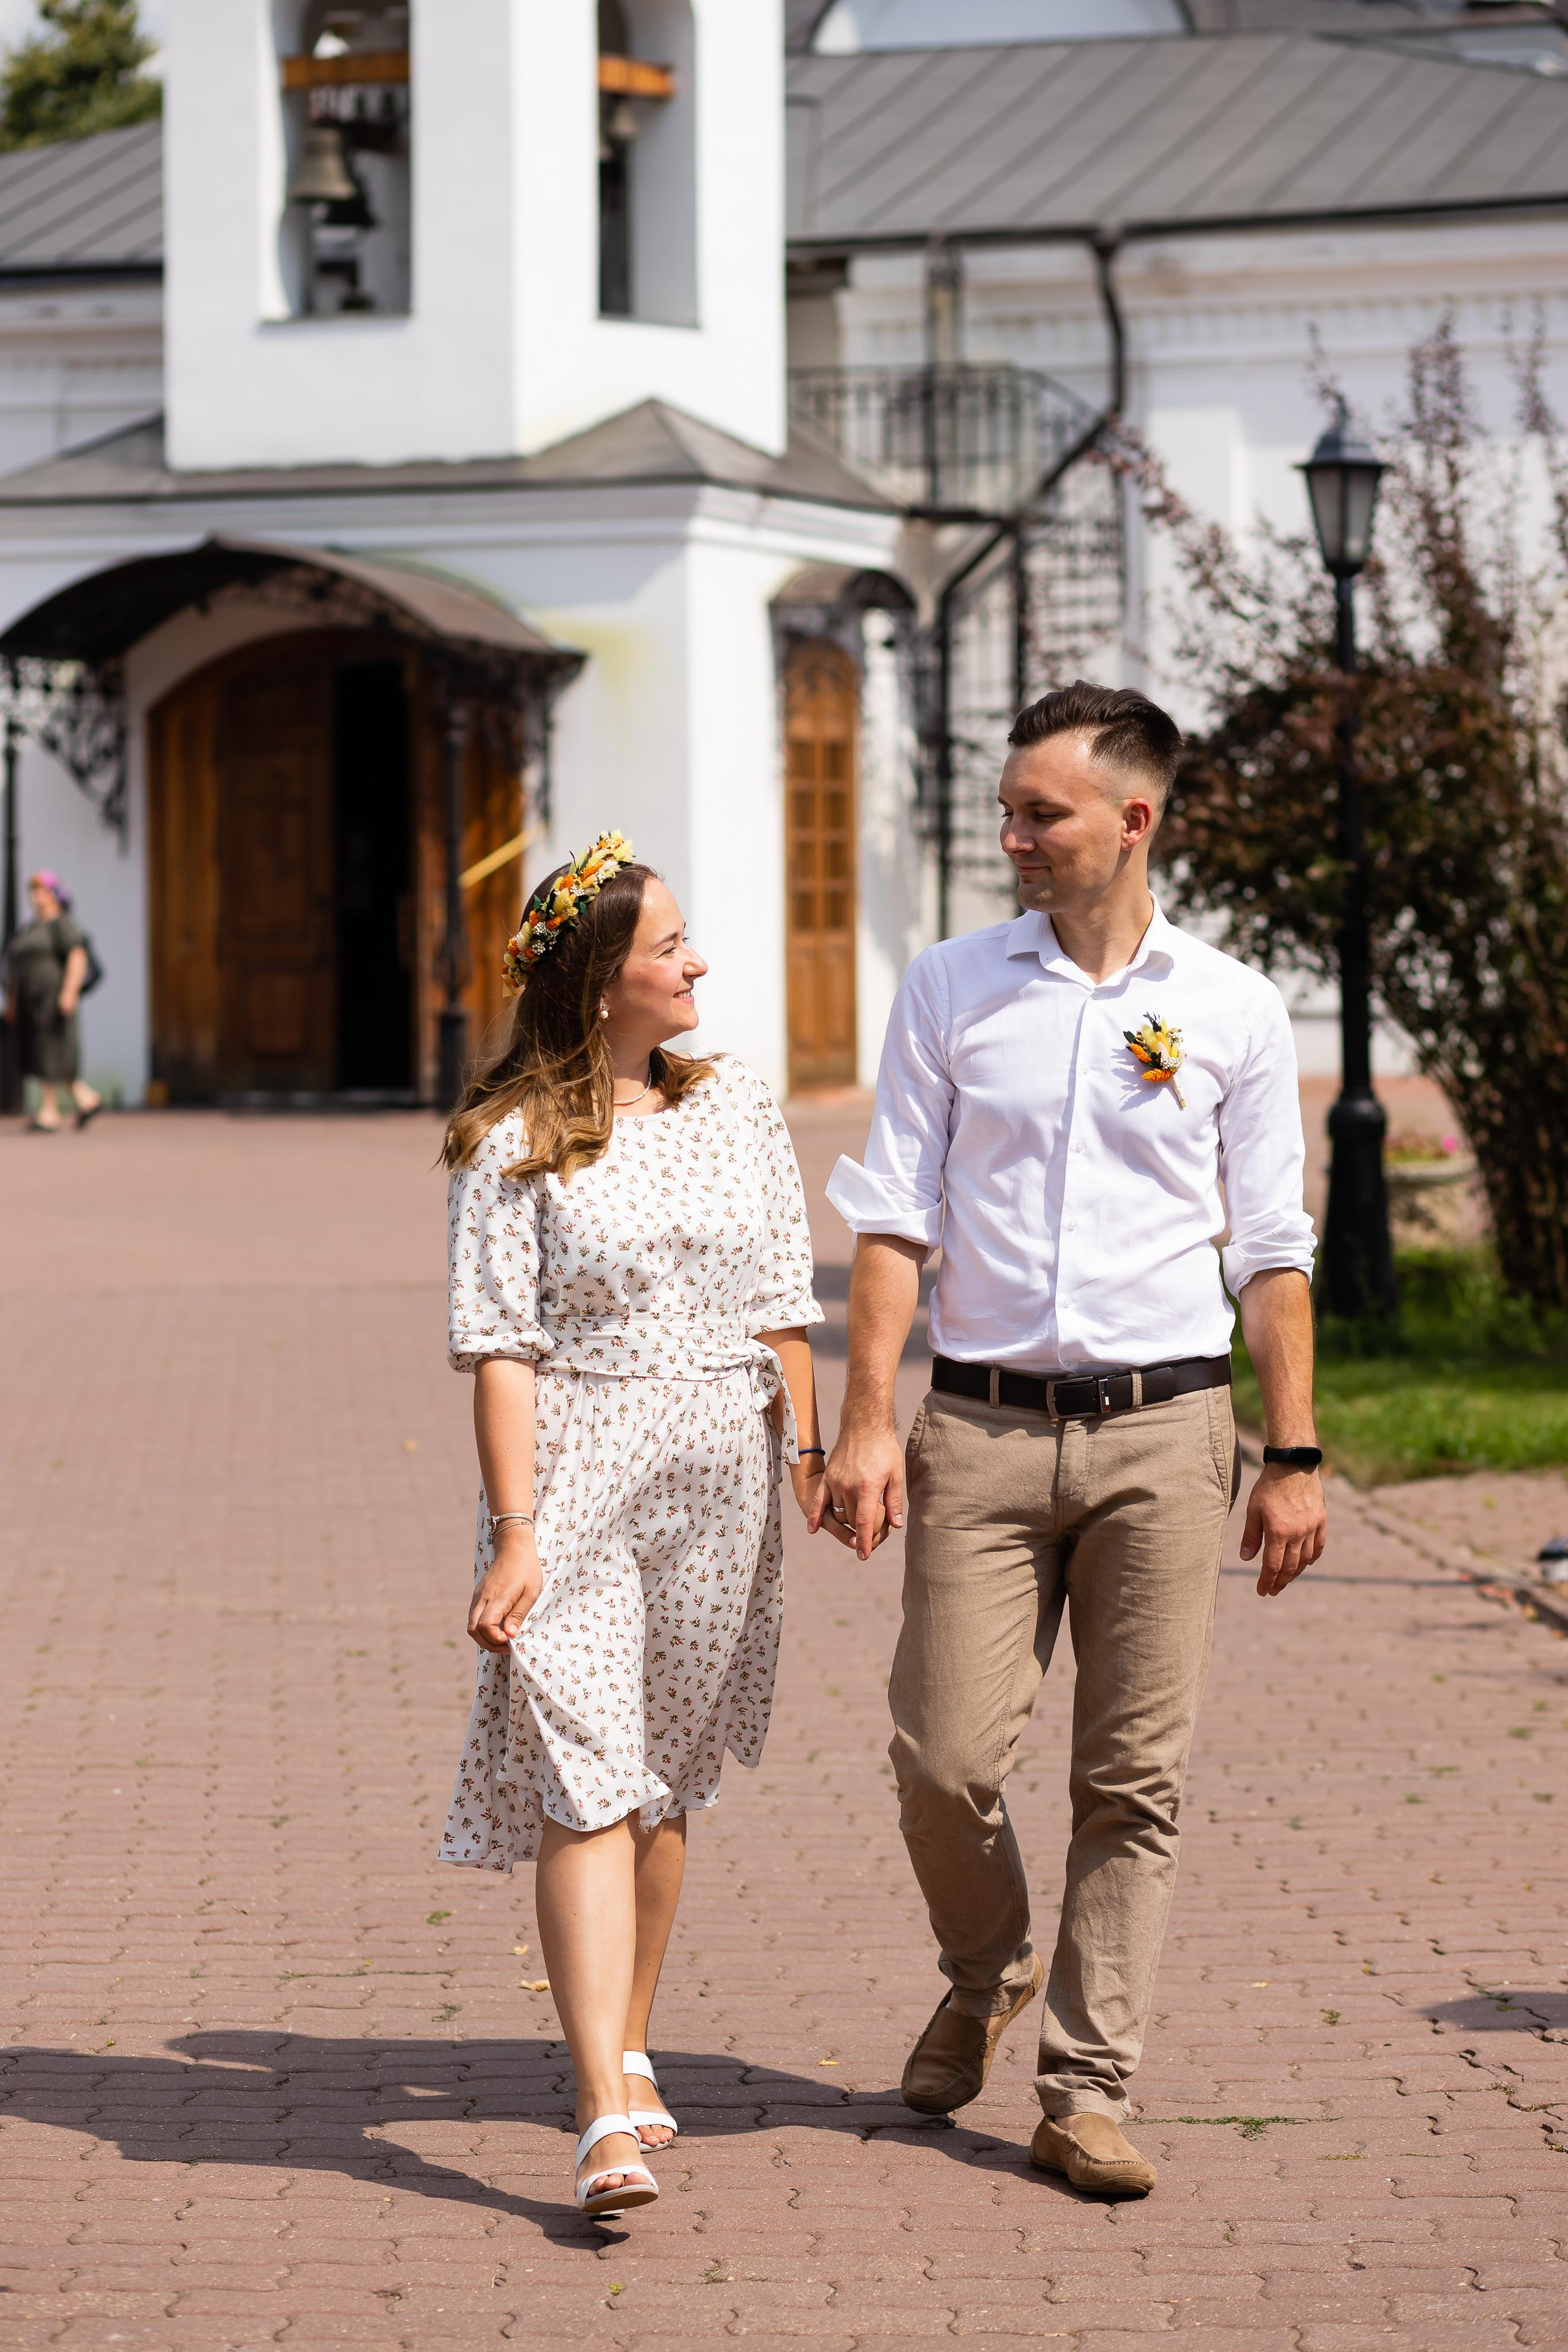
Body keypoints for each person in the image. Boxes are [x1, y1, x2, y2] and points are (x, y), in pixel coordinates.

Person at [819, 683, 1325, 2199]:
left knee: (1130, 1780)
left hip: (1167, 1435)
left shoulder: (1228, 1006)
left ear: (1132, 817)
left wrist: (1289, 1450)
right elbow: (892, 1217)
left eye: (1038, 812)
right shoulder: (951, 986)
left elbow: (1272, 1247)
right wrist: (862, 1426)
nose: (1012, 836)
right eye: (1008, 808)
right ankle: (986, 1970)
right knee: (941, 1759)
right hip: (975, 1425)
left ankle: (1086, 2088)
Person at [439, 831, 843, 2220]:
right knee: (588, 1775)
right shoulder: (509, 1143)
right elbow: (498, 1346)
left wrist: (808, 1447)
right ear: (600, 981)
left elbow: (782, 1294)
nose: (698, 963)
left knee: (664, 1782)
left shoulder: (735, 1105)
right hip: (575, 1484)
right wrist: (511, 1530)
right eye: (668, 947)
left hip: (721, 1484)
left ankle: (623, 2032)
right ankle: (602, 2112)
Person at [4, 871, 102, 1131]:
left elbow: (77, 957)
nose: (35, 896)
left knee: (50, 1050)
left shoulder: (61, 924)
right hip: (30, 1001)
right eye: (33, 891)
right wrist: (12, 1002)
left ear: (54, 895)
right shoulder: (31, 928)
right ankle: (86, 1099)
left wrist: (69, 993)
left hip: (51, 999)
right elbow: (16, 968)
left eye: (41, 891)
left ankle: (50, 1111)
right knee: (42, 1051)